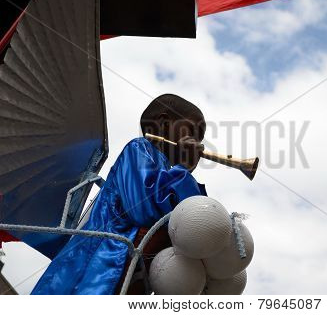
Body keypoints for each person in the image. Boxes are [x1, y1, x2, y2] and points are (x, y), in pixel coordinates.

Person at [32, 94, 207, 294]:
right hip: (101, 261)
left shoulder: (169, 171)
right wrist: (183, 169)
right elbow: (143, 209)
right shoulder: (139, 148)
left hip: (132, 267)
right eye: (193, 132)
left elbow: (189, 219)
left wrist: (183, 173)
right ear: (164, 123)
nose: (198, 144)